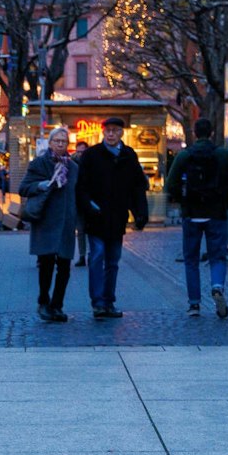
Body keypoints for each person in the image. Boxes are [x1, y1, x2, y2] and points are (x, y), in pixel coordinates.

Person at [163, 118, 228, 319]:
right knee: (218, 256)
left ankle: (194, 304)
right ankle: (217, 286)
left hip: (192, 213)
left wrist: (182, 201)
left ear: (195, 133)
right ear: (212, 133)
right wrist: (225, 203)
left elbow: (170, 183)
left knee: (191, 260)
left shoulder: (184, 156)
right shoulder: (223, 155)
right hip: (216, 213)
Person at [75, 117, 148, 319]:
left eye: (115, 130)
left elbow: (137, 186)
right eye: (107, 130)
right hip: (96, 217)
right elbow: (81, 186)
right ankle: (98, 303)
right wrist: (88, 206)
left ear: (121, 133)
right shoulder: (92, 155)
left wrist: (140, 212)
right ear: (103, 132)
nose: (111, 134)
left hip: (117, 218)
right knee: (97, 257)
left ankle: (109, 301)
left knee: (113, 261)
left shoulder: (128, 155)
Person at [20, 127, 80, 322]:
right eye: (57, 141)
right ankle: (43, 302)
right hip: (45, 221)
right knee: (45, 264)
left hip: (66, 224)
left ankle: (58, 305)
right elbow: (23, 188)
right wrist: (40, 185)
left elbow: (78, 194)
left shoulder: (73, 167)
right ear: (50, 143)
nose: (61, 144)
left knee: (64, 266)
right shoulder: (39, 163)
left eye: (64, 141)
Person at [71, 140, 91, 266]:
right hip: (77, 202)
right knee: (81, 231)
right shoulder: (71, 162)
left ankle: (91, 255)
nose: (80, 154)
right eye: (78, 151)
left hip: (89, 202)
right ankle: (82, 256)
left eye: (82, 152)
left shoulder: (92, 162)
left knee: (91, 231)